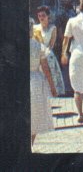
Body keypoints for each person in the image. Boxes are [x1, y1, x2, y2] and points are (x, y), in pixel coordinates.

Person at [30, 17, 57, 147]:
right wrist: (52, 87)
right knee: (34, 115)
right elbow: (46, 69)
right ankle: (30, 143)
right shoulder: (38, 46)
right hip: (35, 80)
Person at [34, 6, 66, 96]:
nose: (41, 18)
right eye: (39, 15)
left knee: (50, 80)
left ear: (48, 16)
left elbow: (51, 45)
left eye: (43, 15)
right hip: (37, 57)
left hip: (48, 56)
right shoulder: (35, 28)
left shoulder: (53, 28)